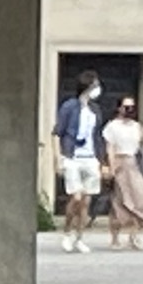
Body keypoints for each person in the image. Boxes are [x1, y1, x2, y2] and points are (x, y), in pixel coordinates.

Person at [55, 69, 109, 254]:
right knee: (76, 197)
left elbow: (98, 137)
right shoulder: (70, 106)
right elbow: (58, 133)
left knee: (86, 202)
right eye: (94, 85)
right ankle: (67, 231)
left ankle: (79, 237)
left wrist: (103, 162)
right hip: (73, 157)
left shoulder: (95, 110)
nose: (97, 89)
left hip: (90, 158)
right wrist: (58, 158)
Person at [103, 96, 143, 250]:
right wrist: (111, 168)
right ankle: (115, 238)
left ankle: (134, 235)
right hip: (119, 162)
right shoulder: (112, 126)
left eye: (132, 107)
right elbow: (109, 147)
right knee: (119, 201)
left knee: (139, 199)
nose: (129, 110)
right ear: (119, 108)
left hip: (133, 163)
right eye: (126, 107)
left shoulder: (136, 126)